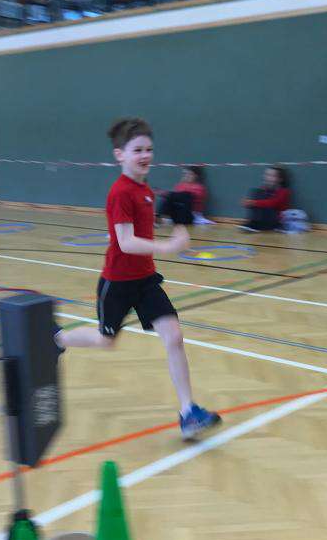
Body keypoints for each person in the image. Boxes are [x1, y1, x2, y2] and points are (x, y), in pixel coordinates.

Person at [53, 118, 222, 439]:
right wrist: (168, 246)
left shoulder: (145, 190)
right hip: (117, 283)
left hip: (145, 281)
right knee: (106, 341)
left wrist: (174, 224)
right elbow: (126, 242)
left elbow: (142, 229)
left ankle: (188, 412)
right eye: (137, 150)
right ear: (120, 154)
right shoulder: (120, 192)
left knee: (174, 337)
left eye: (148, 149)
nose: (145, 155)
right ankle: (57, 340)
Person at [240, 165, 291, 231]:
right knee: (256, 192)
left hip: (277, 220)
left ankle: (257, 225)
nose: (267, 178)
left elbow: (273, 203)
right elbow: (259, 204)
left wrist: (253, 202)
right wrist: (248, 203)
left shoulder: (284, 191)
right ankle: (254, 223)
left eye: (272, 176)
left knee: (261, 200)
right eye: (266, 175)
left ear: (280, 179)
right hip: (264, 219)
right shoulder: (263, 189)